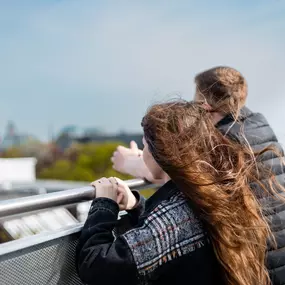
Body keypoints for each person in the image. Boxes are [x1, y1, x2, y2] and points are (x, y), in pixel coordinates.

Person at [111, 66, 285, 284]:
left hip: (258, 265)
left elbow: (177, 176)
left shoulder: (221, 142)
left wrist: (130, 162)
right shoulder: (260, 126)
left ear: (205, 105)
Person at [76, 100, 279, 285]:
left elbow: (97, 267)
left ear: (161, 154)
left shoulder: (177, 215)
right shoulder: (216, 191)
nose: (143, 152)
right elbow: (168, 238)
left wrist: (104, 205)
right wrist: (137, 206)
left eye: (145, 145)